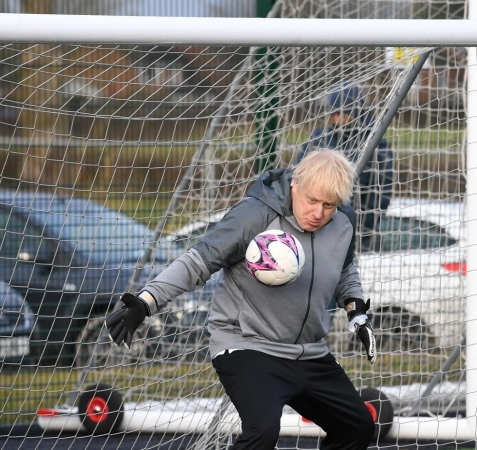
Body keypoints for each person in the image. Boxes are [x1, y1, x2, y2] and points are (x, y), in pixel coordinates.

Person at [105, 149, 378, 450]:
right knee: (262, 432)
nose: (318, 213)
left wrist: (356, 311)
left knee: (358, 427)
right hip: (248, 344)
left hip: (308, 353)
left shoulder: (343, 222)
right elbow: (198, 261)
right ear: (295, 184)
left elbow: (345, 270)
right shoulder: (255, 214)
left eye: (329, 205)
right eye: (312, 200)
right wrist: (147, 301)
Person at [297, 82, 393, 232]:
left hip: (356, 228)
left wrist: (362, 228)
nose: (337, 118)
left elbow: (382, 191)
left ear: (356, 112)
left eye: (343, 113)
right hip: (314, 223)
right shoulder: (319, 138)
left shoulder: (375, 143)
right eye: (334, 113)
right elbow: (298, 178)